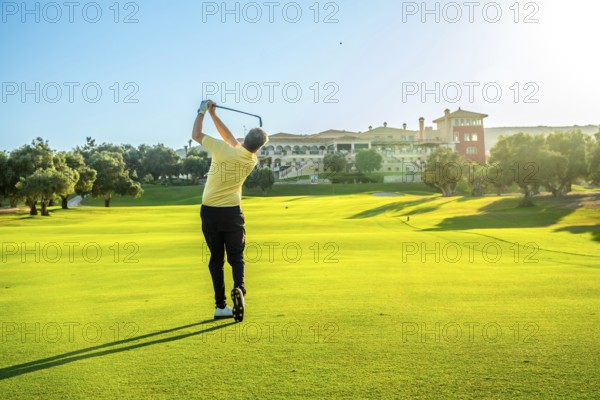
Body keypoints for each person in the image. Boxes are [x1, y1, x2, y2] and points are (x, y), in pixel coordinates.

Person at [192, 100, 268, 322]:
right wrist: (214, 115)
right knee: (236, 257)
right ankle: (240, 290)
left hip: (210, 212)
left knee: (216, 258)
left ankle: (220, 307)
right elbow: (230, 138)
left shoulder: (223, 149)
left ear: (245, 140)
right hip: (233, 213)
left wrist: (203, 111)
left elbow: (197, 134)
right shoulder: (251, 160)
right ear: (258, 147)